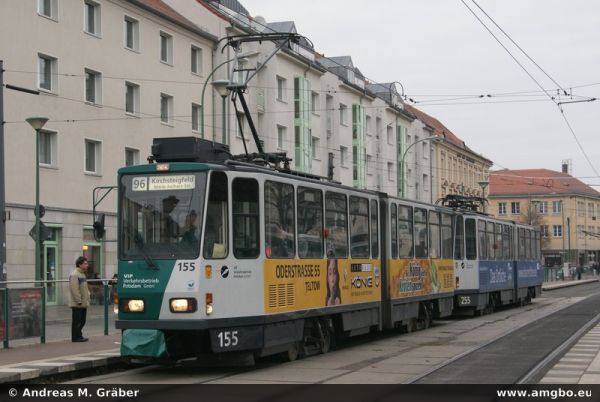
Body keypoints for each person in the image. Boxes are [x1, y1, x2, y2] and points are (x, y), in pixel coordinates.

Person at [69, 256, 91, 342]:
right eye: (85, 263)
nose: (87, 265)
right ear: (80, 264)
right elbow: (74, 289)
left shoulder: (82, 274)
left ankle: (79, 335)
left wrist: (87, 296)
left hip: (83, 302)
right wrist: (79, 301)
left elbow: (84, 288)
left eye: (87, 263)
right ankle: (75, 337)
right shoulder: (75, 274)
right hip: (78, 303)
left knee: (82, 321)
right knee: (77, 321)